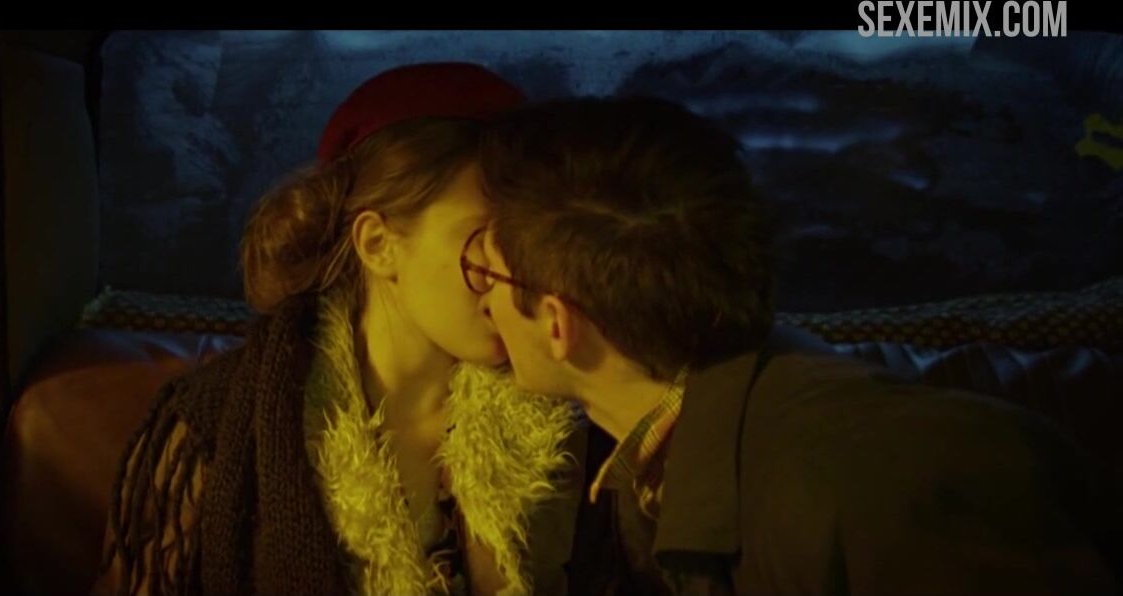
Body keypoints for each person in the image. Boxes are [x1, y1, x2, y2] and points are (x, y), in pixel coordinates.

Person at [469, 95, 1121, 595]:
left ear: (557, 324)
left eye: (486, 271)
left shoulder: (879, 488)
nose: (480, 300)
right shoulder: (673, 449)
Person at [91, 63, 588, 596]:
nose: (517, 279)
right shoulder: (223, 427)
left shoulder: (559, 425)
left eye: (529, 247)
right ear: (378, 244)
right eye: (486, 242)